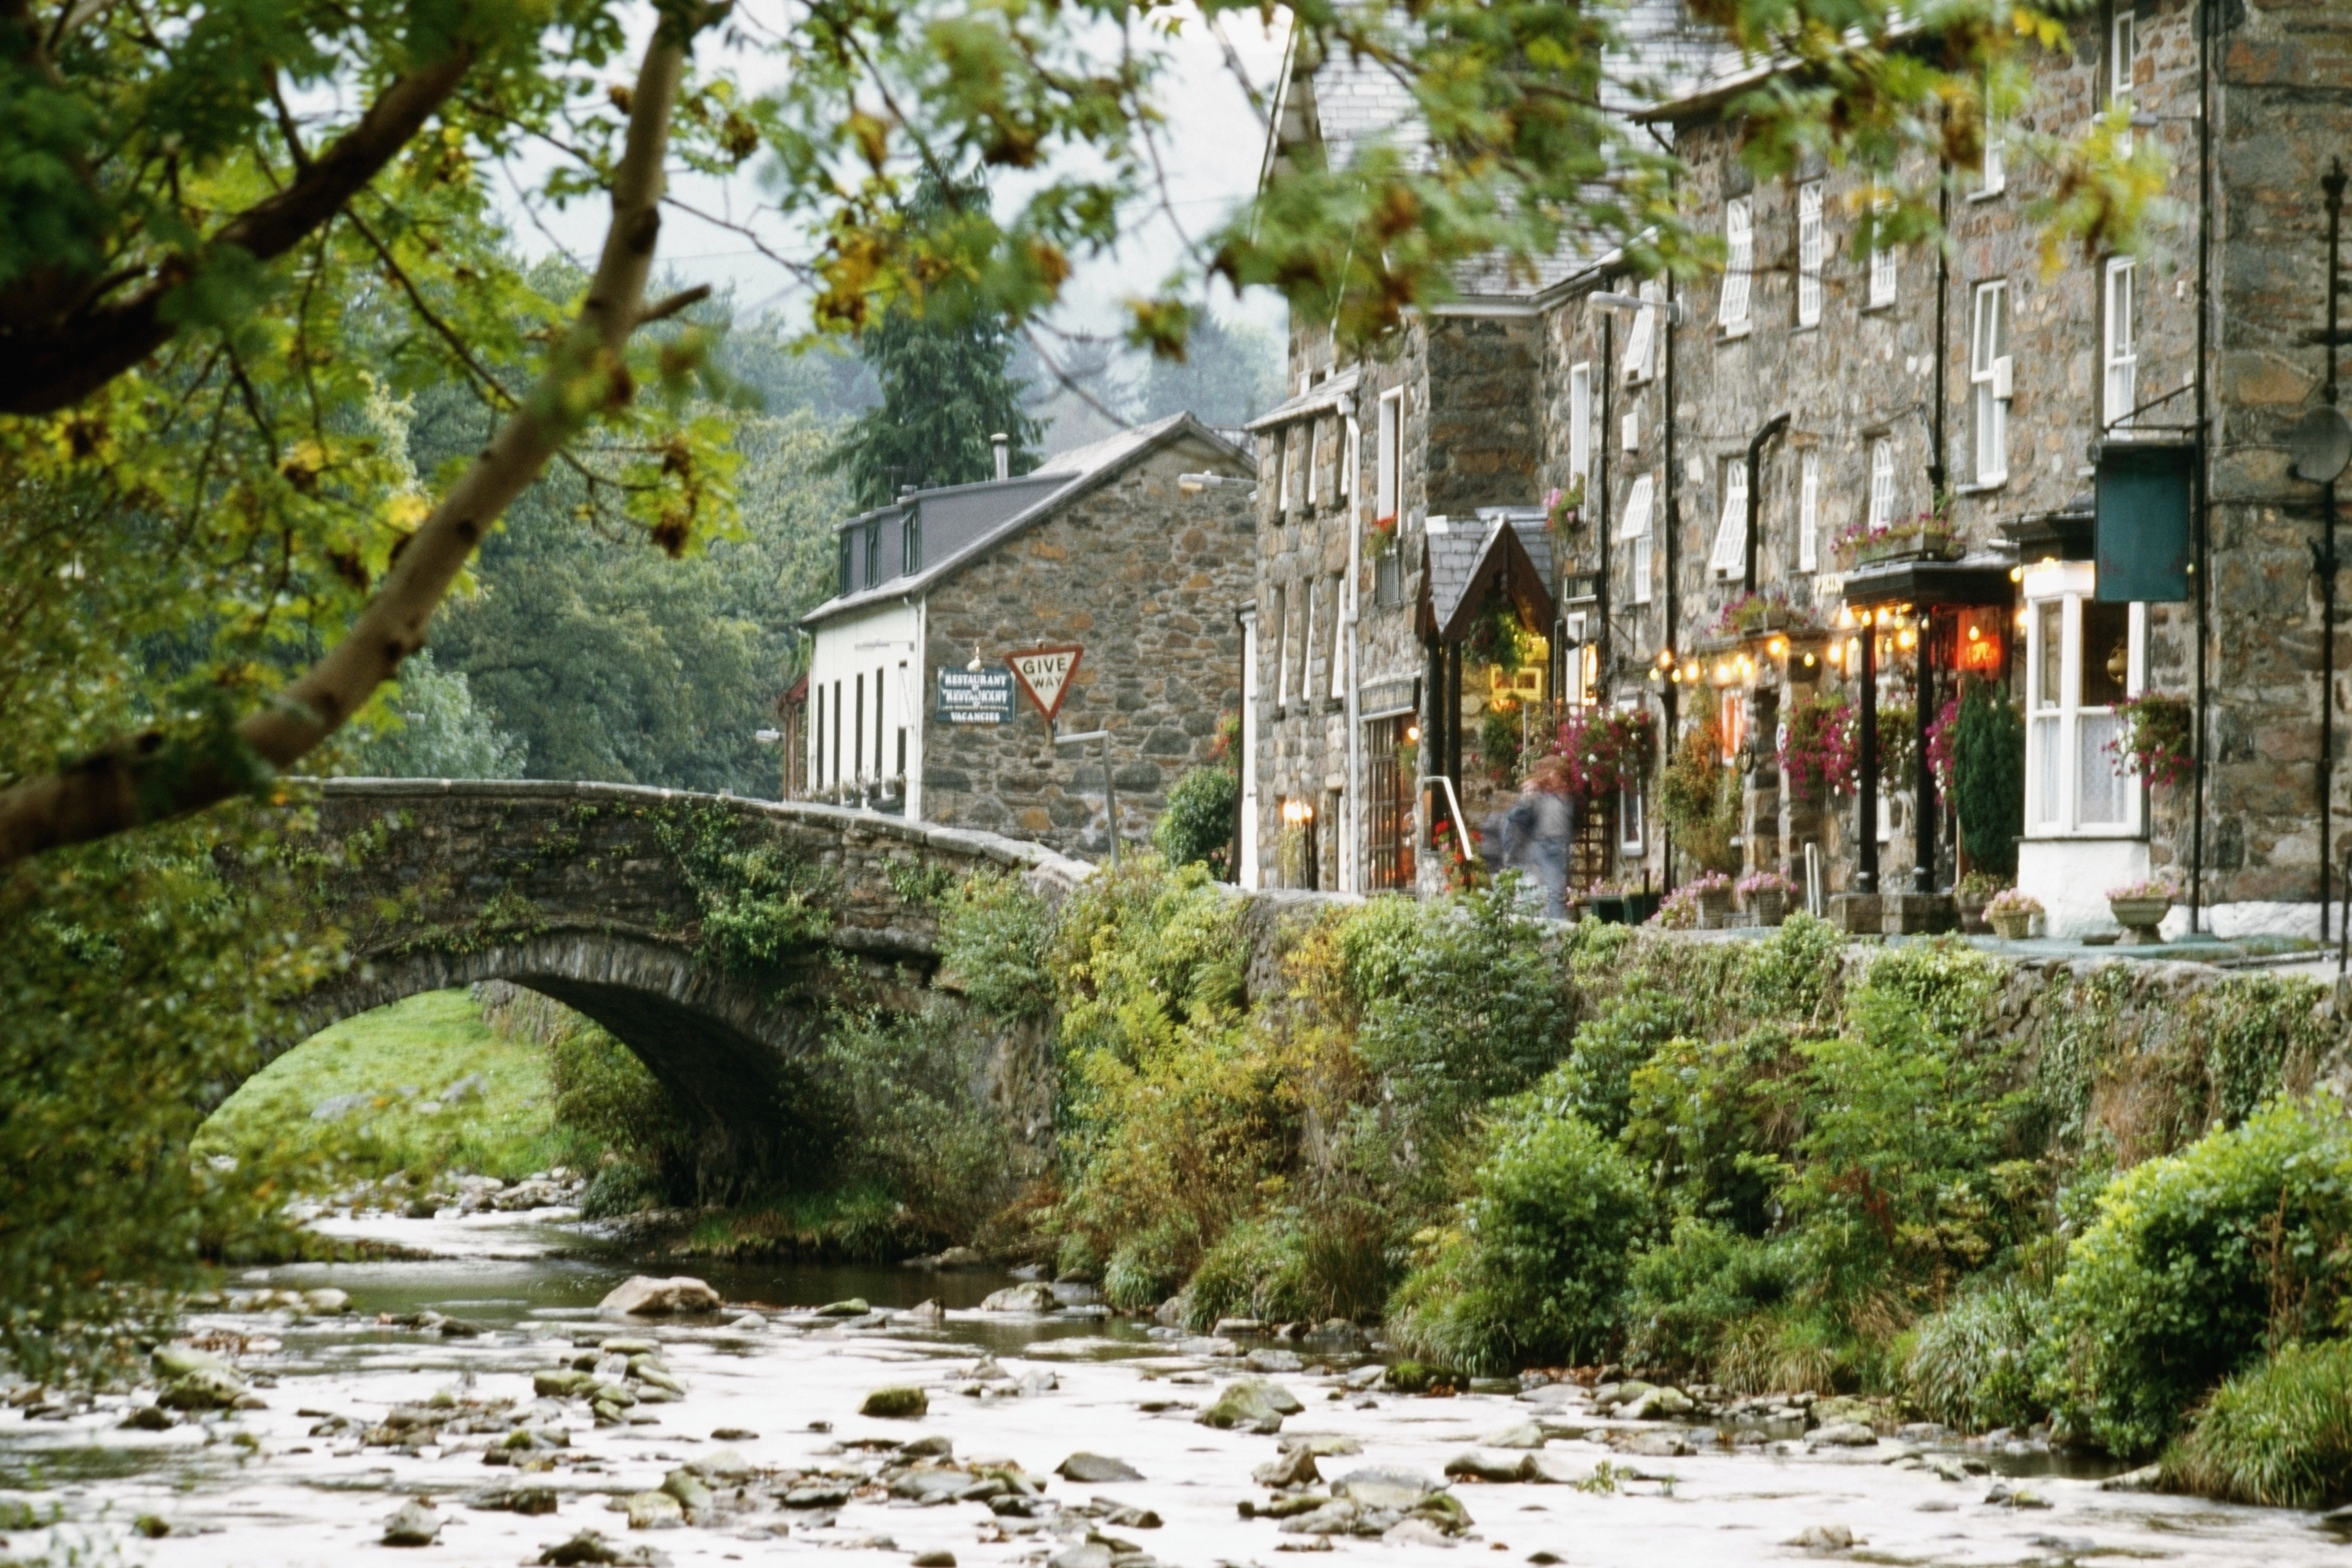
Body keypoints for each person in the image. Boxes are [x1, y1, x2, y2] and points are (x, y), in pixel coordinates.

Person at [1484, 758, 1575, 918]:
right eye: (1551, 772)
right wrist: (1528, 797)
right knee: (1544, 887)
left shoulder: (1566, 797)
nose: (1553, 776)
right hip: (1540, 845)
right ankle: (1549, 921)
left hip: (1558, 846)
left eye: (1556, 773)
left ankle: (1552, 921)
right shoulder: (1538, 795)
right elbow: (1516, 819)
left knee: (1553, 889)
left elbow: (1572, 821)